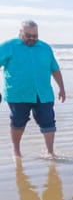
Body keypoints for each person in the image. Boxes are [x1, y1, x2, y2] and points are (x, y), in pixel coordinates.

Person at [0, 20, 66, 158]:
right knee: (18, 122)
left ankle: (50, 152)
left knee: (48, 121)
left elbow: (54, 68)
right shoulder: (8, 46)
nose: (32, 39)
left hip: (43, 93)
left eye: (35, 36)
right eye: (28, 35)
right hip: (18, 94)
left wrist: (61, 87)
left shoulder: (45, 48)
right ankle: (17, 152)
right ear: (20, 32)